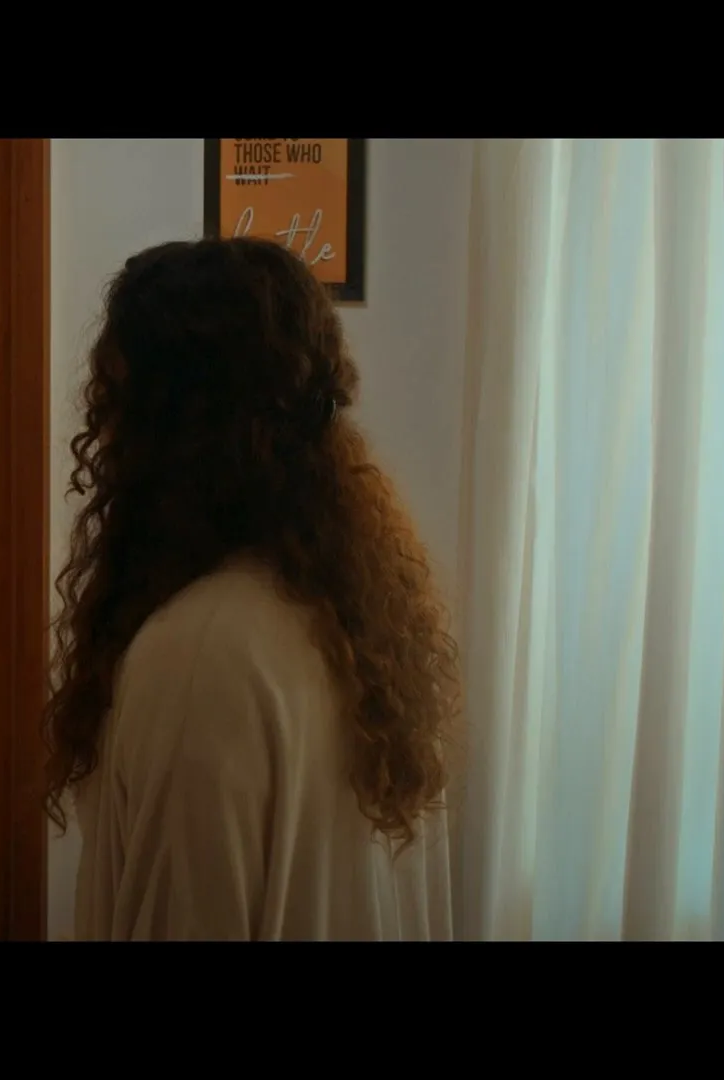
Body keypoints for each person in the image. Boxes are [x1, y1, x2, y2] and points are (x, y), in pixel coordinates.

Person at [45, 236, 462, 941]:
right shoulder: (360, 615)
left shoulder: (197, 654)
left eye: (115, 401)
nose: (104, 434)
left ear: (168, 425)